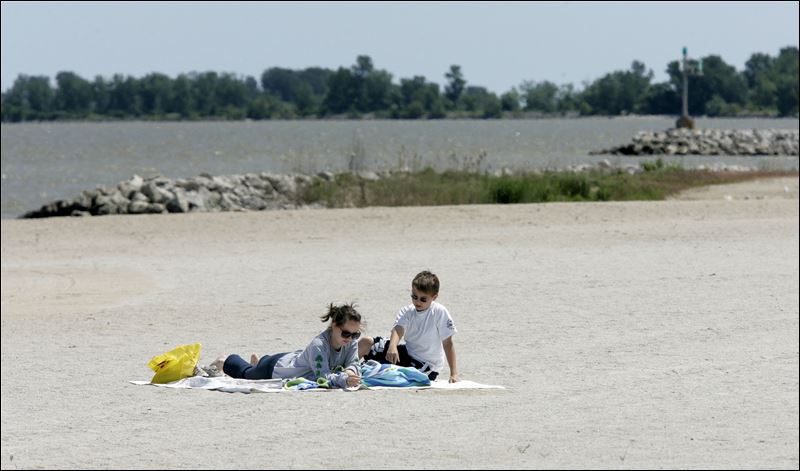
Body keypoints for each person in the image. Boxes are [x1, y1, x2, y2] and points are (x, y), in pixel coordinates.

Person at [213, 303, 363, 389]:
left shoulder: (352, 342)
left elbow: (354, 363)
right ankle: (224, 360)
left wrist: (350, 372)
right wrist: (344, 380)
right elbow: (323, 376)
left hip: (291, 359)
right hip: (277, 369)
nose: (350, 339)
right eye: (346, 333)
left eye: (355, 334)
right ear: (334, 326)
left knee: (256, 368)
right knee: (246, 374)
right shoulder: (319, 345)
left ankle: (257, 362)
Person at [359, 270, 459, 382]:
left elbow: (447, 343)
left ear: (434, 297)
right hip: (407, 353)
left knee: (384, 372)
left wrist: (453, 374)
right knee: (366, 342)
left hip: (426, 366)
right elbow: (398, 329)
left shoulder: (440, 312)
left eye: (423, 299)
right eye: (414, 296)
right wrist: (392, 346)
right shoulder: (407, 311)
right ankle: (345, 369)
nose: (417, 302)